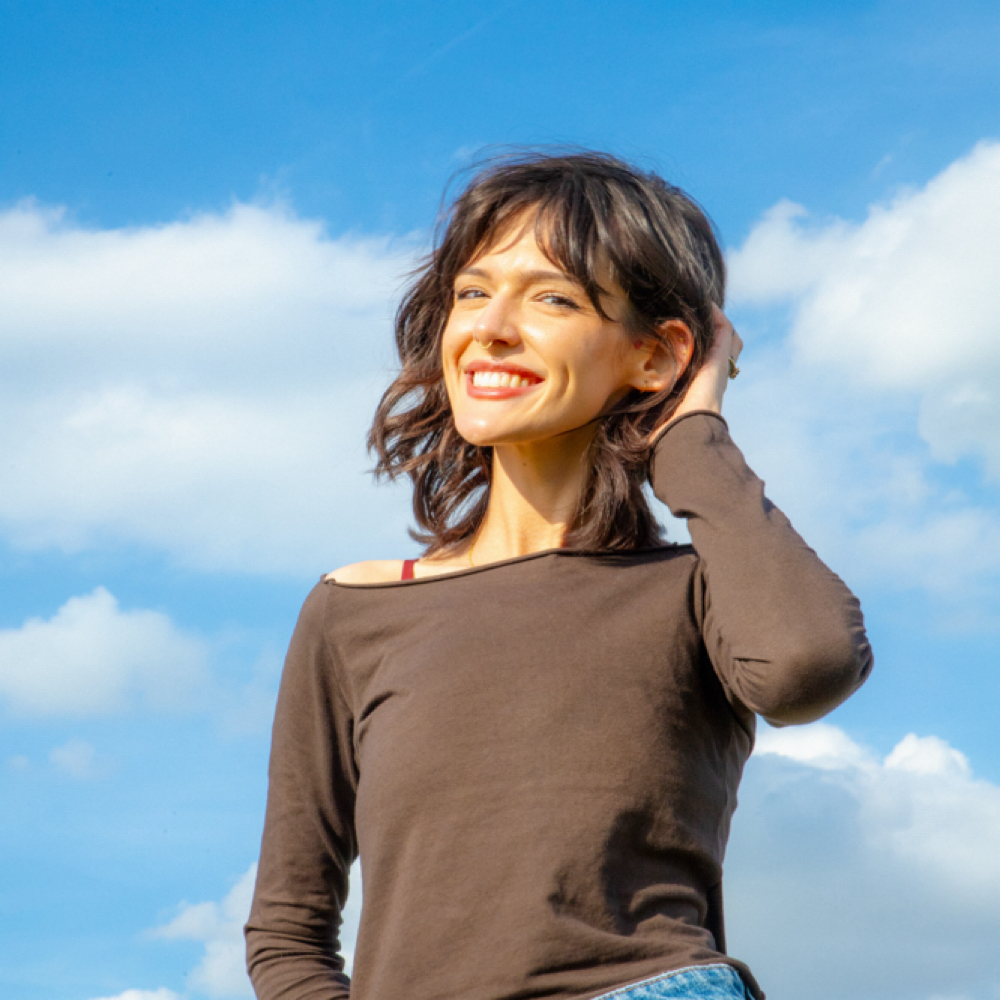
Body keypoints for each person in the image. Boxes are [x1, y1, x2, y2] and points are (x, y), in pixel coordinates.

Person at [244, 152, 873, 1000]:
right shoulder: (352, 611)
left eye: (552, 298)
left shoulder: (694, 591)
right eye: (473, 292)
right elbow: (288, 932)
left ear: (655, 357)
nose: (491, 327)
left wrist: (692, 436)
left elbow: (808, 665)